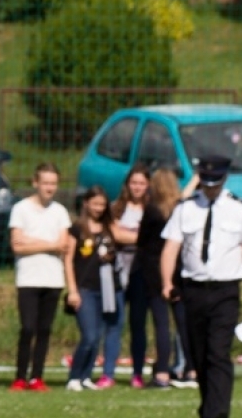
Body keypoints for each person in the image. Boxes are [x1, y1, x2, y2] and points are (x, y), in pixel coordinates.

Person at [160, 156, 242, 418]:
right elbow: (171, 248)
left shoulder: (239, 210)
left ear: (225, 179)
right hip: (192, 290)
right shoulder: (185, 209)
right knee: (198, 353)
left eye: (214, 183)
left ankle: (217, 415)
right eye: (205, 183)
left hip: (225, 291)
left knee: (218, 352)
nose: (210, 188)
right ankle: (208, 407)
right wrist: (166, 283)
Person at [8, 162, 72, 391]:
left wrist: (32, 242)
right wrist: (49, 244)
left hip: (53, 278)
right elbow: (17, 245)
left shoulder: (60, 212)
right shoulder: (21, 209)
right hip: (28, 278)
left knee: (44, 329)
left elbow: (63, 245)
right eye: (45, 183)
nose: (49, 188)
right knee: (28, 327)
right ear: (35, 183)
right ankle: (19, 375)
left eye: (53, 183)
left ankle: (36, 376)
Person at [129, 167, 181, 387]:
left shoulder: (152, 211)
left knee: (161, 323)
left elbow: (142, 242)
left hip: (154, 273)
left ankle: (161, 372)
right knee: (183, 322)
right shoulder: (181, 210)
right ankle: (191, 369)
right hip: (179, 271)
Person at [64, 187, 119, 392]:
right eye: (95, 204)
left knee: (98, 335)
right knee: (88, 335)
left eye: (102, 205)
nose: (99, 208)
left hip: (104, 289)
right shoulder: (76, 229)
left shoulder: (108, 228)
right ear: (86, 203)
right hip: (84, 289)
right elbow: (68, 260)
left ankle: (86, 376)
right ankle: (74, 377)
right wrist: (72, 290)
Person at [108, 167, 148, 385]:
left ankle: (138, 373)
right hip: (119, 271)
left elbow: (152, 236)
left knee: (138, 323)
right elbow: (115, 234)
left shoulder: (151, 209)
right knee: (115, 322)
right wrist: (139, 236)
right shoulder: (117, 208)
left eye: (141, 183)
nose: (137, 187)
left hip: (142, 272)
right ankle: (109, 373)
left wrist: (129, 235)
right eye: (134, 183)